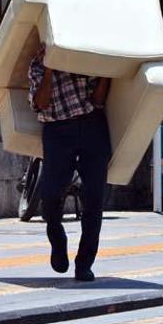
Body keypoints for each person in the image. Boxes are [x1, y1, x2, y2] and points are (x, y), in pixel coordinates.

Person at [28, 43, 111, 282]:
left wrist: (107, 74)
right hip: (57, 130)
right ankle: (57, 238)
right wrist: (50, 69)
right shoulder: (38, 64)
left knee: (94, 198)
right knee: (51, 195)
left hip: (91, 124)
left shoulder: (84, 56)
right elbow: (41, 103)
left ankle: (84, 264)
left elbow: (97, 99)